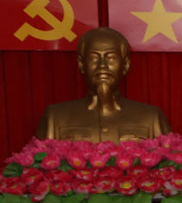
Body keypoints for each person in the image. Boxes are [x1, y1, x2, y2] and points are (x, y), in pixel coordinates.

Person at [35, 27, 171, 142]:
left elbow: (169, 163)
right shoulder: (55, 117)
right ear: (81, 64)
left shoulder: (151, 117)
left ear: (125, 65)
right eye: (94, 58)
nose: (102, 65)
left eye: (110, 57)